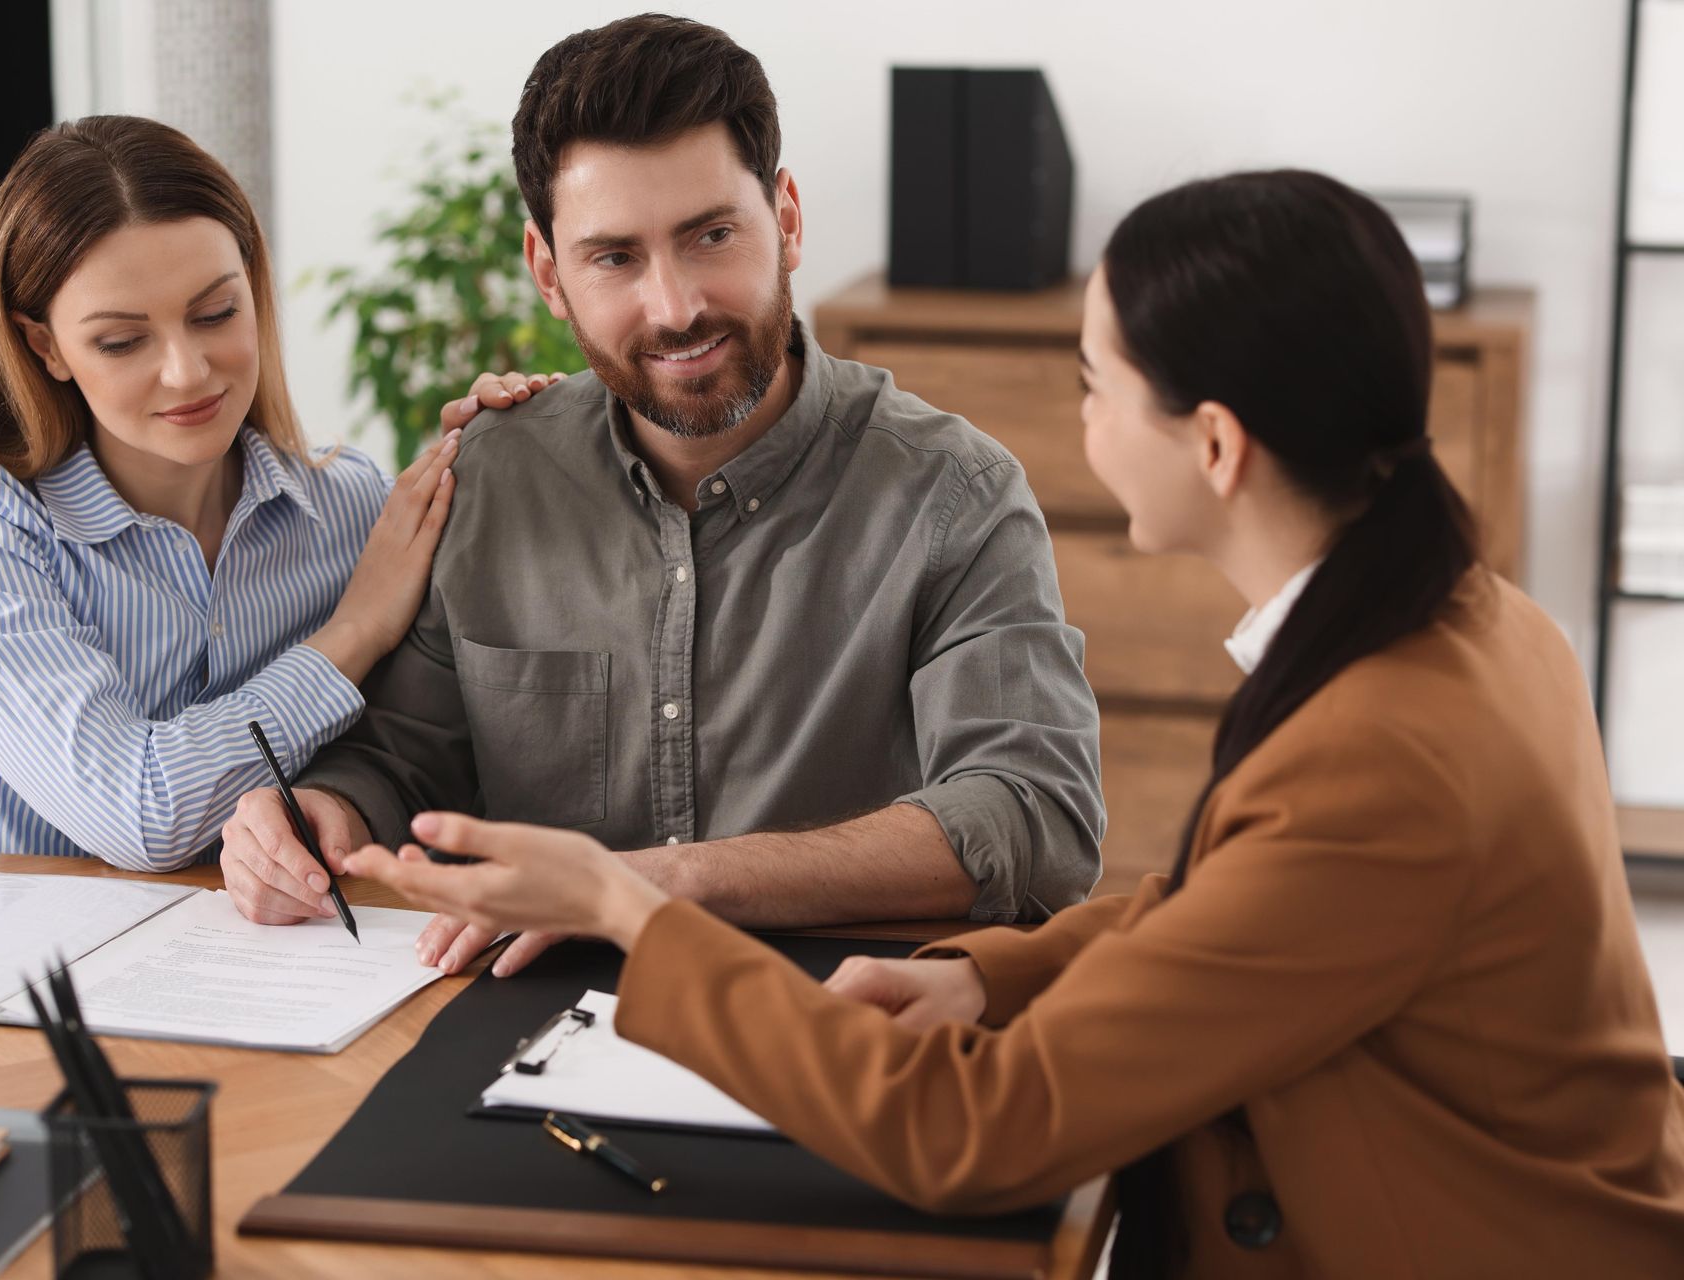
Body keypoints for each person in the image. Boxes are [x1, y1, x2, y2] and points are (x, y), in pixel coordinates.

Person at [345, 170, 1684, 1276]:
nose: (1082, 417)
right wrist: (993, 974)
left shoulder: (1384, 751)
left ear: (1213, 447)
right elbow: (1230, 896)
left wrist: (639, 911)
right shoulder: (1482, 620)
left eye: (1097, 385)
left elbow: (976, 1136)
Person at [219, 14, 1106, 973]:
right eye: (616, 258)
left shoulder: (953, 493)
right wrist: (320, 815)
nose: (676, 306)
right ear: (549, 275)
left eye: (711, 234)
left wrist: (658, 884)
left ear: (788, 219)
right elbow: (403, 762)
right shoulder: (489, 478)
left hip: (836, 1028)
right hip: (523, 1022)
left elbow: (1032, 814)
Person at [0, 115, 557, 870]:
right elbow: (138, 815)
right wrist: (353, 632)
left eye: (215, 314)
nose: (188, 372)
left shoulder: (350, 509)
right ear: (46, 346)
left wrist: (517, 445)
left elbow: (426, 743)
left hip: (180, 957)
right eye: (122, 340)